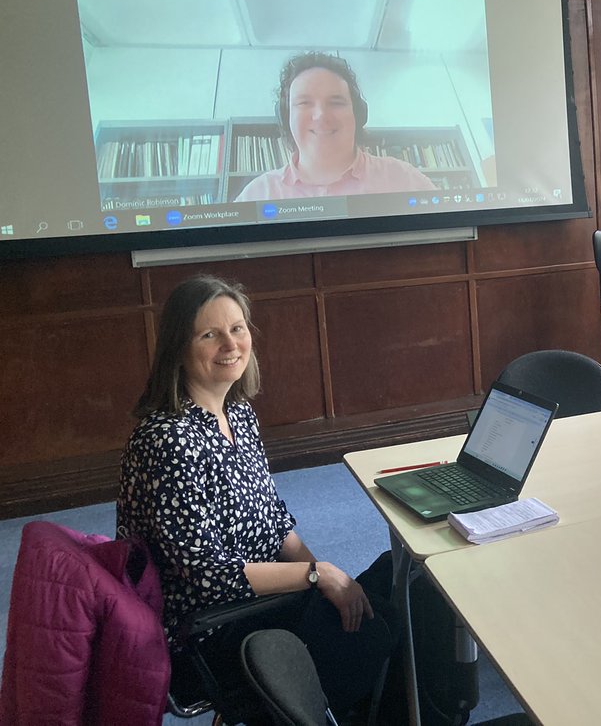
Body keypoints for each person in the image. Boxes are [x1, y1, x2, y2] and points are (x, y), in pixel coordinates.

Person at [116, 275, 402, 717]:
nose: (230, 344)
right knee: (370, 631)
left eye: (238, 328)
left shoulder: (238, 413)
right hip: (209, 629)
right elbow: (209, 575)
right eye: (209, 334)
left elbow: (273, 521)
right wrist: (316, 577)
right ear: (179, 347)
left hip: (260, 596)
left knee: (396, 584)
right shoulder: (167, 441)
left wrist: (326, 575)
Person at [235, 52, 437, 202]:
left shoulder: (404, 179)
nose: (321, 115)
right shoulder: (256, 196)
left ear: (358, 114)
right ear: (286, 116)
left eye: (336, 102)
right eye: (304, 103)